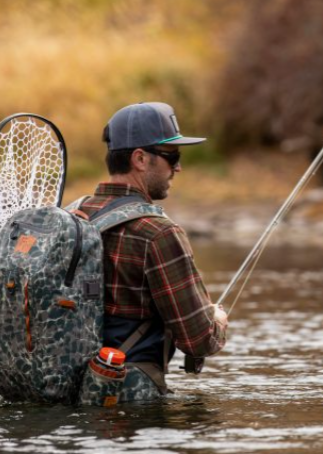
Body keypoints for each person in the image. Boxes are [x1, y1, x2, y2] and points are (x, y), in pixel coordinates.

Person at [77, 101, 228, 396]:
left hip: (67, 387)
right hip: (128, 404)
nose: (178, 167)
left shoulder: (74, 215)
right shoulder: (158, 233)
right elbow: (198, 340)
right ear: (140, 159)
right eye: (172, 156)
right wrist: (217, 321)